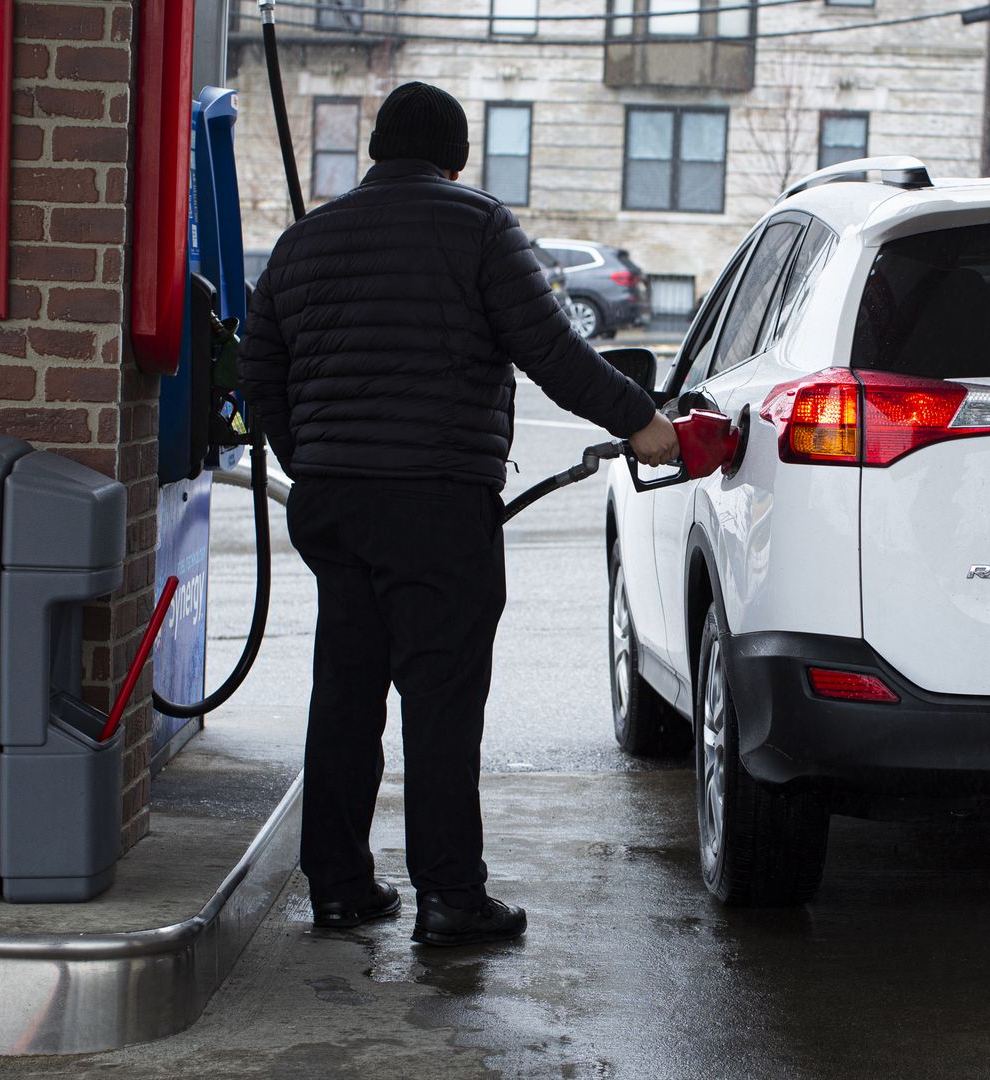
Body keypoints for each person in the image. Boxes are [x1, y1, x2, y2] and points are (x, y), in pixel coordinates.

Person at [239, 81, 679, 947]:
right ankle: (450, 898)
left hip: (333, 502)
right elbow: (551, 349)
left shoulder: (303, 241)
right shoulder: (477, 225)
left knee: (345, 694)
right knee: (440, 700)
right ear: (458, 155)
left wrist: (317, 462)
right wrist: (643, 422)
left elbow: (261, 380)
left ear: (375, 148)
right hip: (437, 502)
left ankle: (338, 887)